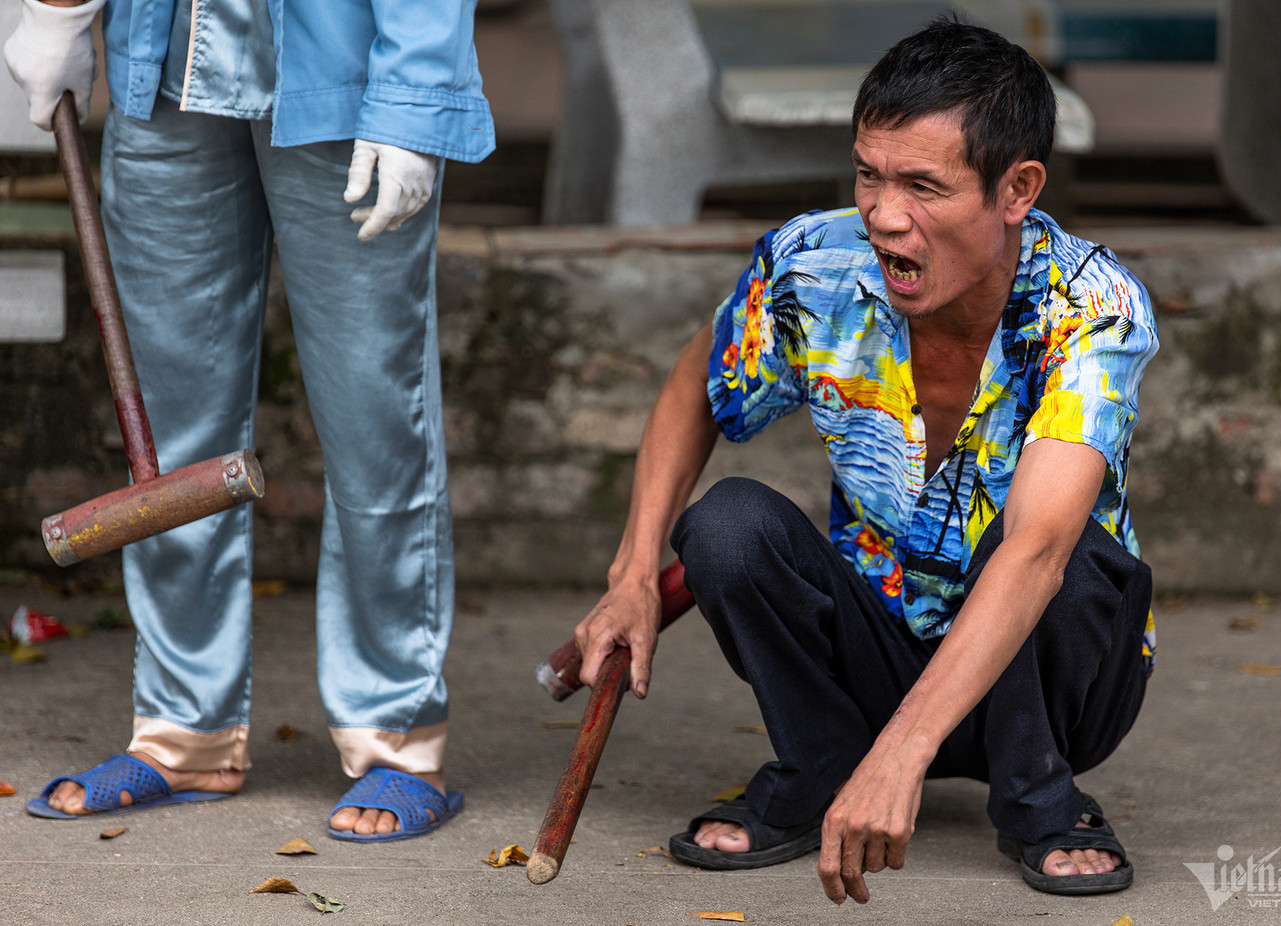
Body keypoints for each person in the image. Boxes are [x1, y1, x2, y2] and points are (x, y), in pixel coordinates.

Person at [573, 17, 1157, 900]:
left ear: (1017, 189)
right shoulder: (816, 264)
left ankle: (1041, 795)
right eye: (869, 174)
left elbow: (1038, 548)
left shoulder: (1093, 307)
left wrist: (904, 758)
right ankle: (819, 770)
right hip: (880, 644)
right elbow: (701, 377)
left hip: (1056, 672)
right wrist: (629, 573)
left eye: (924, 186)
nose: (885, 216)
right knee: (727, 528)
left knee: (1060, 553)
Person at [4, 0, 493, 841]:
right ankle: (182, 730)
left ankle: (396, 735)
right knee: (169, 430)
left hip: (348, 82)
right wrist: (58, 9)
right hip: (167, 72)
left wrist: (416, 98)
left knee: (372, 417)